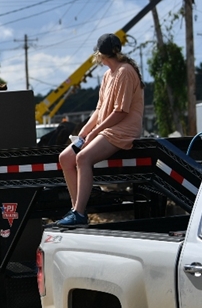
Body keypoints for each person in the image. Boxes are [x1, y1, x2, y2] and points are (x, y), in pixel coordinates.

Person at [55, 33, 145, 227]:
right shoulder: (107, 75)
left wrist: (95, 132)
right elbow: (99, 109)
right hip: (107, 128)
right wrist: (84, 132)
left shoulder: (125, 72)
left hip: (122, 129)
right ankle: (75, 209)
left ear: (99, 55)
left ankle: (79, 213)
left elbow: (121, 112)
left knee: (82, 158)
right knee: (65, 158)